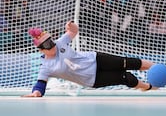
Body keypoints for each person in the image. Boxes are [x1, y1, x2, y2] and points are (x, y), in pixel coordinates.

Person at [23, 21, 157, 97]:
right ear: (41, 50)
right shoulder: (46, 67)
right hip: (91, 79)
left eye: (51, 41)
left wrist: (71, 26)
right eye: (47, 45)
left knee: (128, 62)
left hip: (95, 59)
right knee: (126, 78)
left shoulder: (60, 43)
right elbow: (40, 84)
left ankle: (160, 67)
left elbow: (73, 32)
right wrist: (36, 93)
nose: (52, 46)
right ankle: (148, 87)